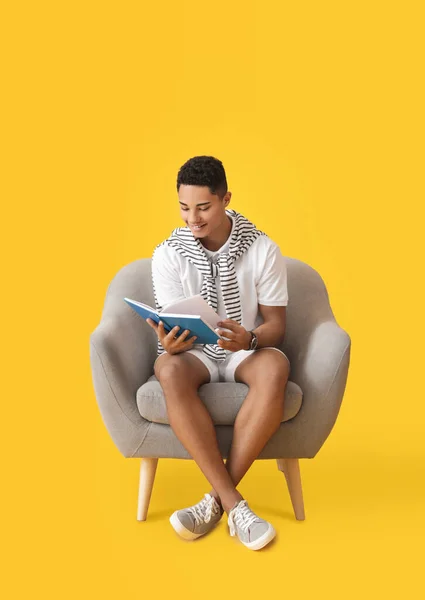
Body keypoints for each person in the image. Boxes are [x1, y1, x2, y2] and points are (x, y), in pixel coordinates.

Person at [146, 155, 290, 551]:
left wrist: (250, 339)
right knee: (168, 368)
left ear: (226, 199)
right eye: (184, 207)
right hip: (198, 353)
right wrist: (170, 344)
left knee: (277, 366)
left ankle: (214, 502)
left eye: (204, 207)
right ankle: (234, 504)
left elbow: (277, 325)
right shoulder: (168, 254)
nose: (193, 218)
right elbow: (174, 323)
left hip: (244, 348)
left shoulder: (262, 249)